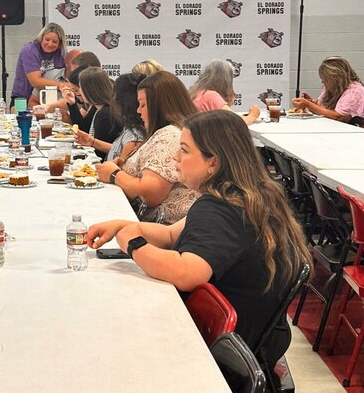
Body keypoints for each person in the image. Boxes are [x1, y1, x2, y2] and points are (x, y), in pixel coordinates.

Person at [87, 110, 312, 364]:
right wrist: (122, 226)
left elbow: (187, 273)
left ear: (212, 162)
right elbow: (172, 233)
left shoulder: (220, 208)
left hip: (227, 346)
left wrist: (134, 245)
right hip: (259, 334)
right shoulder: (248, 195)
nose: (175, 157)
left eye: (184, 150)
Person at [94, 71, 199, 223]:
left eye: (143, 105)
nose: (138, 110)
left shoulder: (169, 135)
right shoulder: (170, 132)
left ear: (159, 106)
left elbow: (149, 194)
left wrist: (114, 174)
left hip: (162, 228)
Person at [75, 72, 145, 161]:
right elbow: (118, 150)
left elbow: (118, 168)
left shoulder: (134, 137)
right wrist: (92, 142)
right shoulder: (130, 127)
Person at [292, 56, 364, 122]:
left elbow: (338, 116)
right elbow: (322, 108)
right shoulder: (329, 88)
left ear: (335, 79)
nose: (323, 82)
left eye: (325, 80)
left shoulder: (355, 91)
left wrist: (309, 105)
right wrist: (310, 102)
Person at [190, 59, 260, 125]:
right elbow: (236, 123)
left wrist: (227, 103)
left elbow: (222, 119)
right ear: (225, 80)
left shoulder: (196, 92)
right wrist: (253, 115)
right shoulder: (211, 95)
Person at [11, 22, 67, 104]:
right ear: (41, 38)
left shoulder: (60, 54)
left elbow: (59, 76)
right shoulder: (29, 51)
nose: (50, 44)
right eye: (47, 39)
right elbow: (35, 81)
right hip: (23, 98)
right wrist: (64, 86)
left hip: (45, 99)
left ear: (59, 44)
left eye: (55, 42)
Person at [76, 67, 121, 158]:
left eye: (81, 87)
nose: (79, 91)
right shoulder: (97, 108)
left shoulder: (105, 114)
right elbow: (83, 129)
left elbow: (98, 153)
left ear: (90, 89)